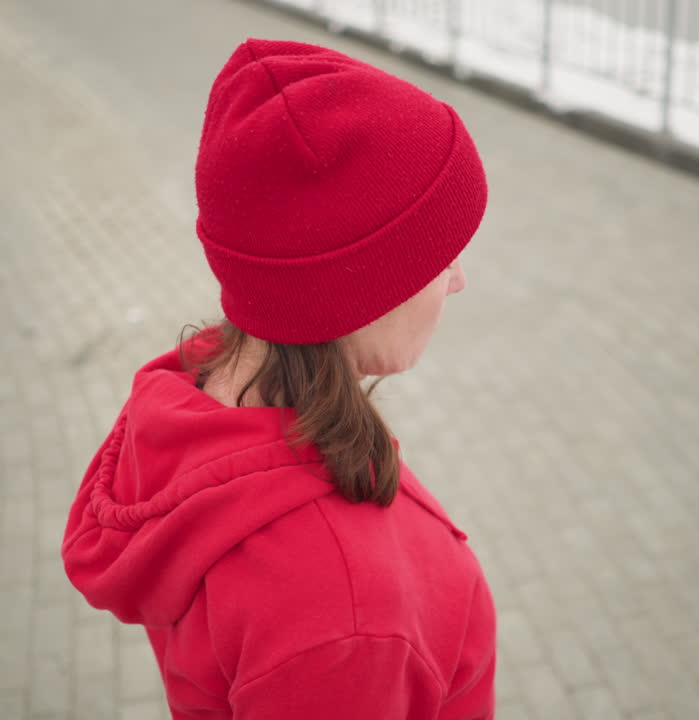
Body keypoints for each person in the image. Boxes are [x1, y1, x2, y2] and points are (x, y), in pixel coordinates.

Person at [61, 38, 496, 719]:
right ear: (353, 286)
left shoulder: (192, 405)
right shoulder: (346, 614)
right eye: (438, 253)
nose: (459, 279)